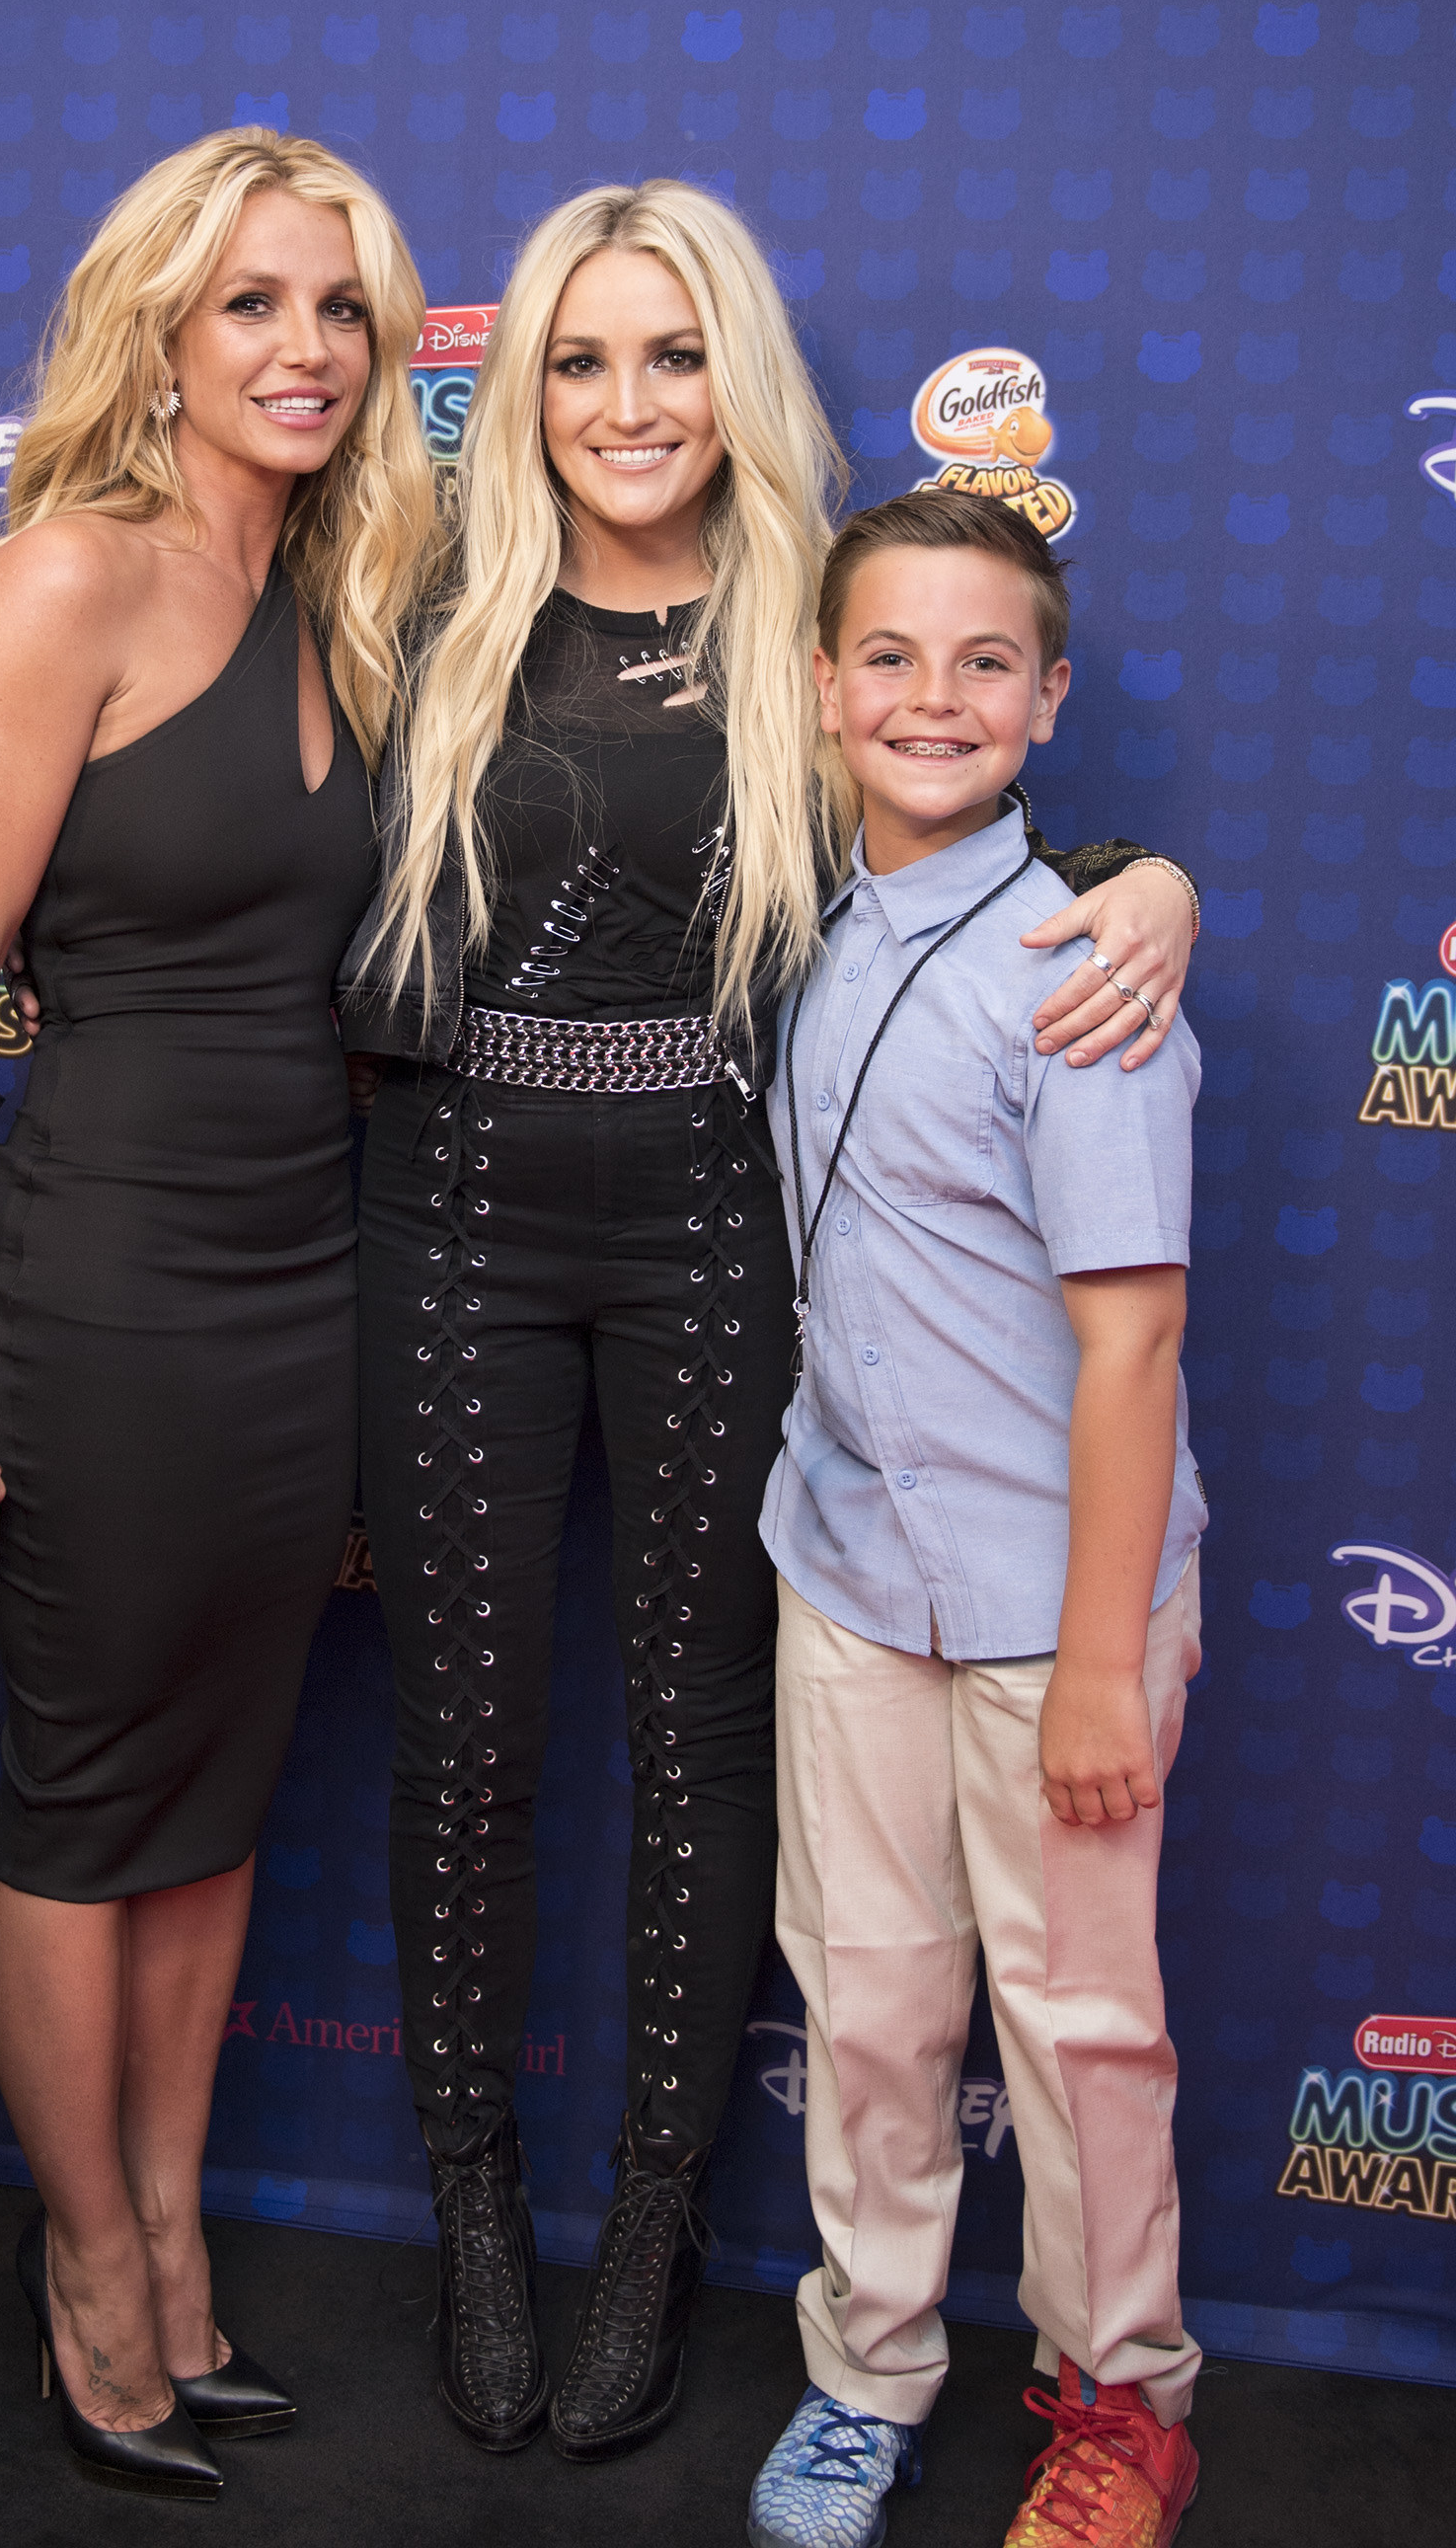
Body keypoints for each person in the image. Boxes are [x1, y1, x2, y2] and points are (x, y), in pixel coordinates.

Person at [336, 183, 1205, 2461]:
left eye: (675, 353)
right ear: (520, 380)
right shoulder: (421, 603)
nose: (631, 404)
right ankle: (477, 2239)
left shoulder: (810, 636)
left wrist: (1157, 887)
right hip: (455, 1226)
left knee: (714, 1754)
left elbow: (979, 819)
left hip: (720, 1238)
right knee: (472, 1749)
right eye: (582, 357)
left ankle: (651, 2241)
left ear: (739, 381)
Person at [0, 127, 436, 2497]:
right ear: (162, 333)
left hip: (315, 1284)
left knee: (211, 1808)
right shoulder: (56, 586)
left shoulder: (374, 588)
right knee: (89, 1802)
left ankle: (181, 2238)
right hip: (96, 1280)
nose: (302, 351)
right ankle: (86, 2258)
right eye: (252, 307)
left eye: (340, 312)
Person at [746, 486, 1207, 2548]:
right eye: (891, 658)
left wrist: (1102, 1663)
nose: (934, 697)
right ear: (826, 687)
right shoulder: (821, 926)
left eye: (985, 662)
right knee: (865, 1990)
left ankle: (1122, 2399)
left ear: (1052, 700)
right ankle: (867, 2368)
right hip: (847, 1574)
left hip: (1052, 1613)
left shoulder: (1085, 971)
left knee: (1083, 2023)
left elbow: (1133, 1350)